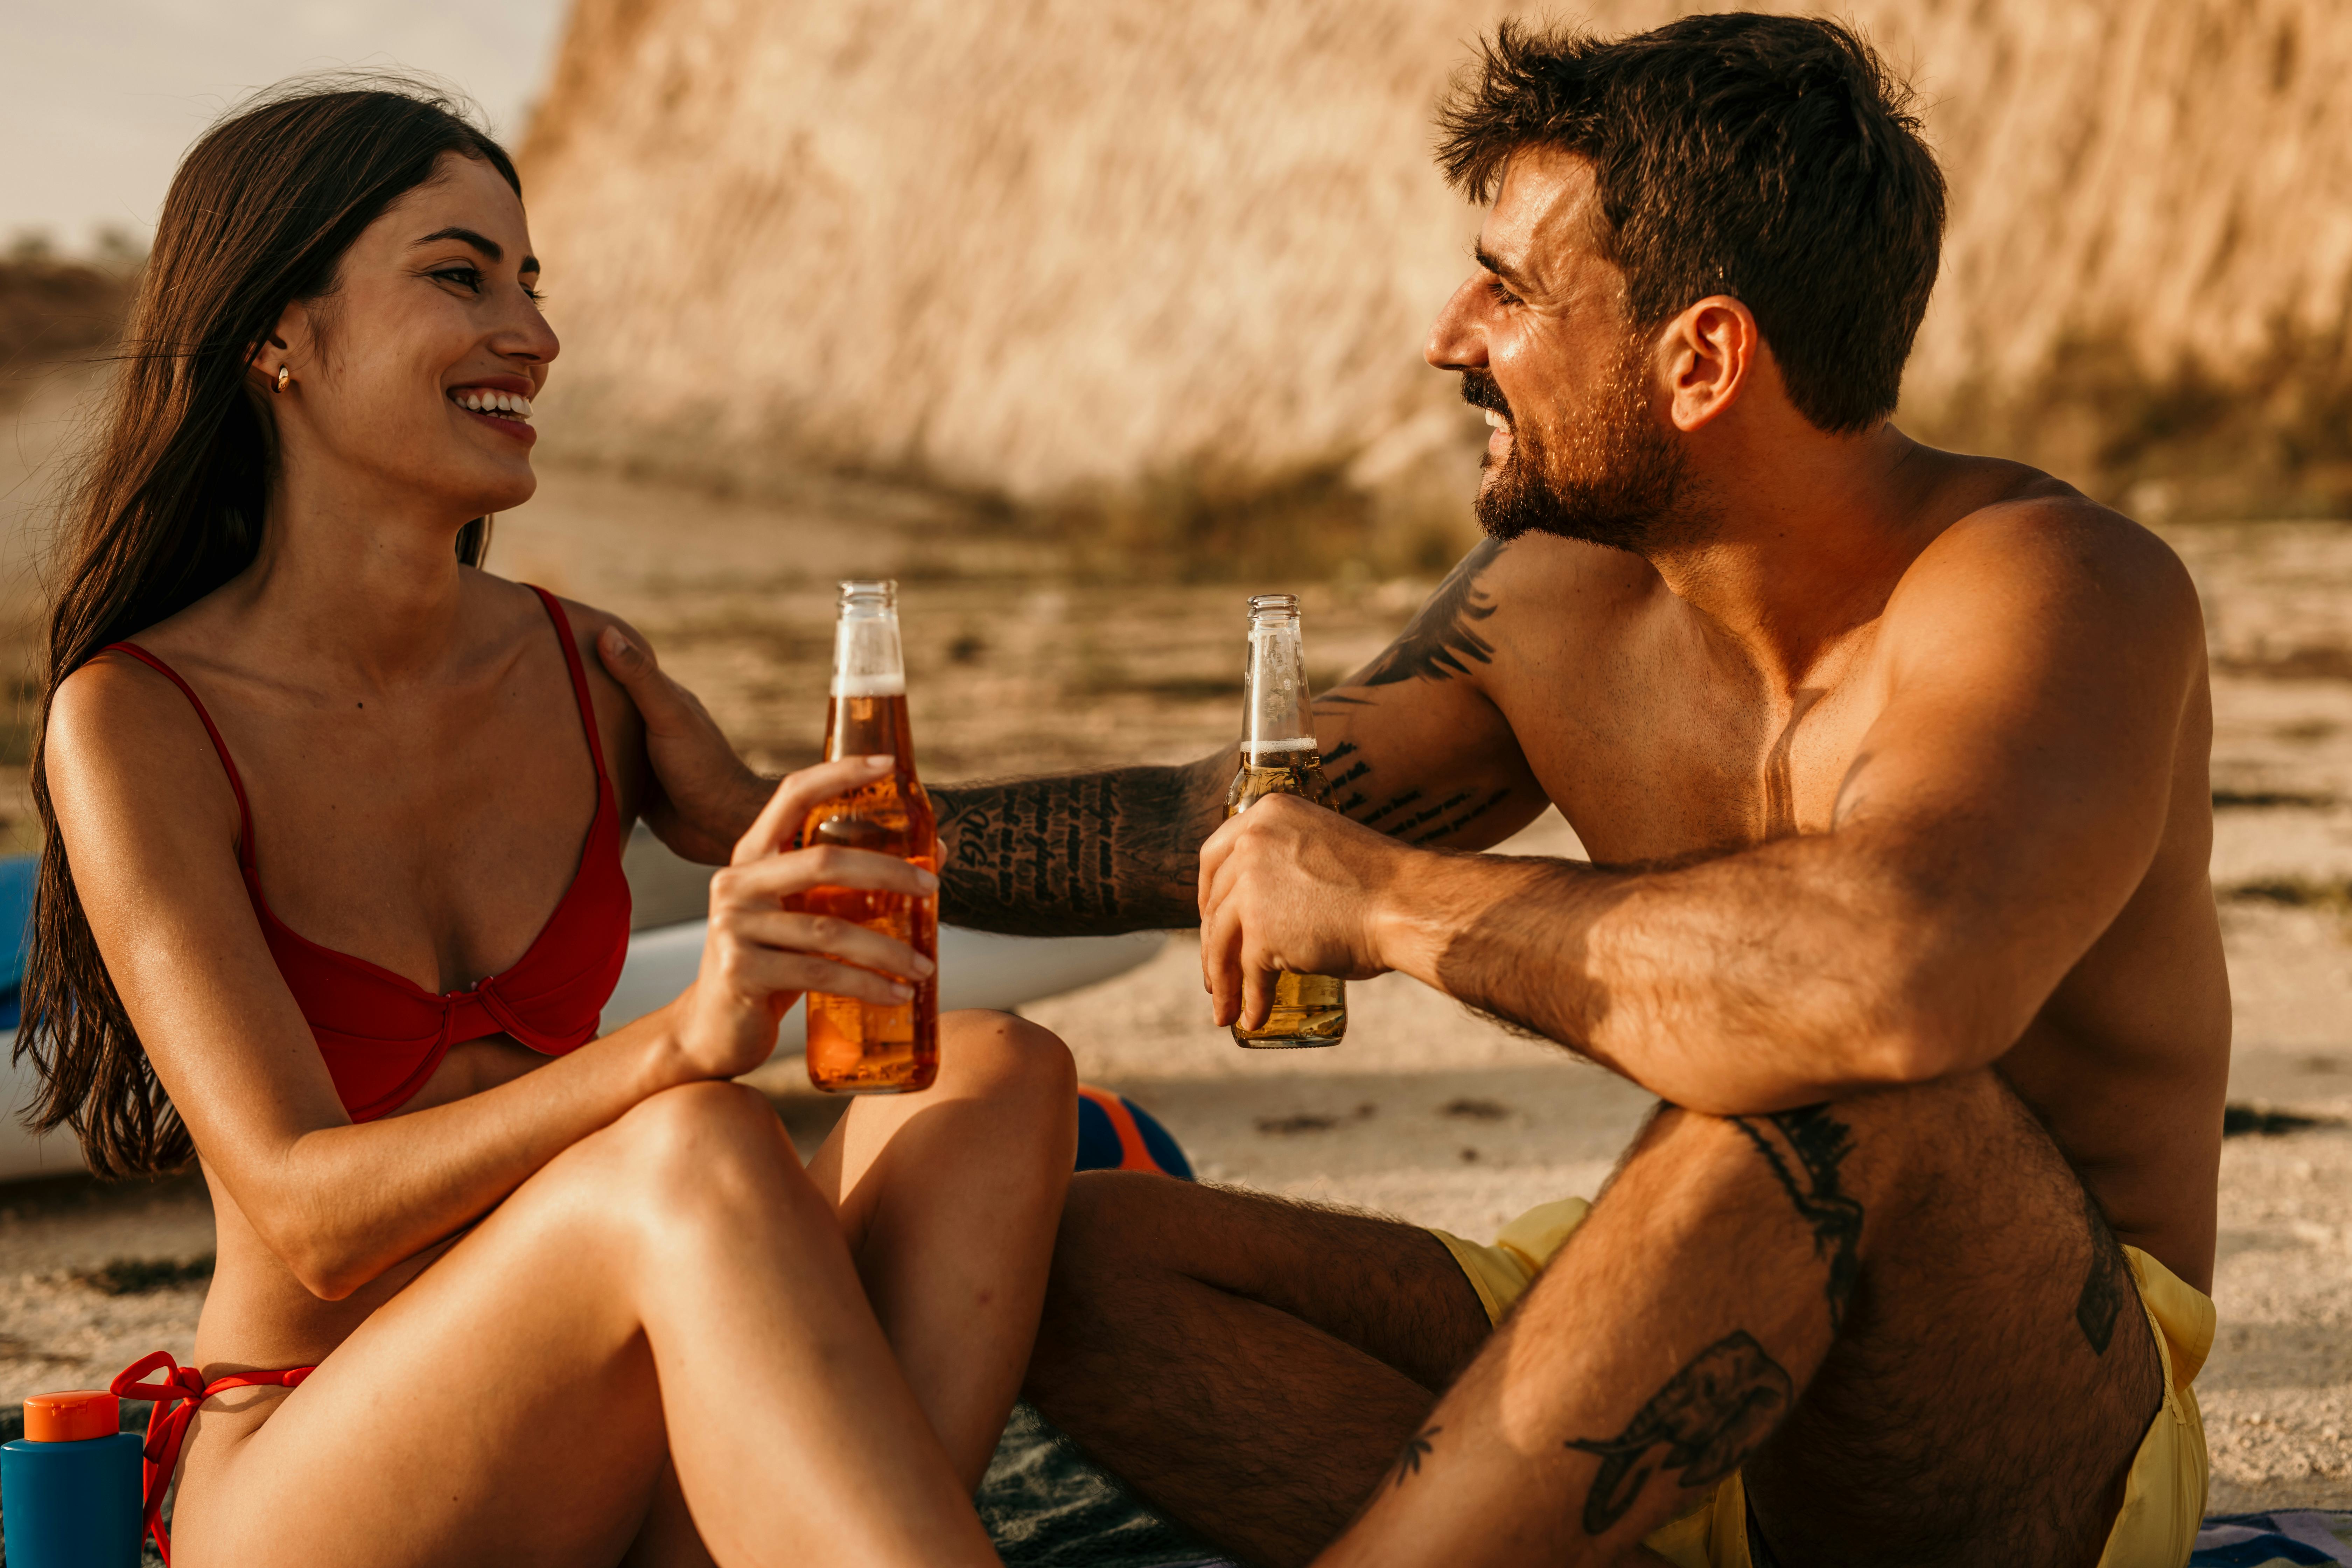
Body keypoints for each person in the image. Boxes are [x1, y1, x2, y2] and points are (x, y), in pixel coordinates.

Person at [611, 15, 2229, 1567]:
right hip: (1691, 1362)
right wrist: (790, 812)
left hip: (2017, 1420)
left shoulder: (2052, 591)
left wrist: (1385, 907)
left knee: (1859, 1089)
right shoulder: (1559, 600)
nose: (1450, 335)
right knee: (1085, 1259)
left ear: (1702, 358)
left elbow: (1898, 979)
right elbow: (1231, 828)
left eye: (1511, 291)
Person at [24, 81, 1075, 1567]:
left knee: (998, 1076)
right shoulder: (138, 716)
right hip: (317, 1467)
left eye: (532, 282)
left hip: (601, 1444)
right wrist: (680, 1046)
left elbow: (843, 911)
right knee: (690, 1142)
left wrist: (742, 823)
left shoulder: (589, 673)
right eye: (461, 276)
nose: (534, 332)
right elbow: (309, 1213)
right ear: (278, 335)